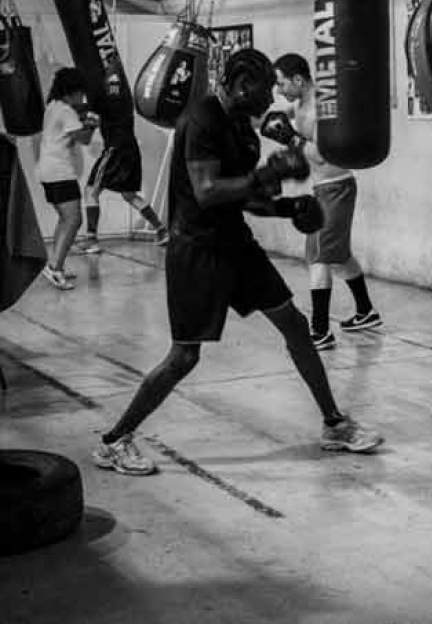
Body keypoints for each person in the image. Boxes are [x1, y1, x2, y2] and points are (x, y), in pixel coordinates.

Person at [91, 49, 382, 475]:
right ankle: (115, 441)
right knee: (184, 357)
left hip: (235, 244)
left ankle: (334, 424)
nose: (271, 100)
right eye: (265, 92)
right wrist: (267, 175)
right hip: (197, 251)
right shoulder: (201, 119)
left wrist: (288, 208)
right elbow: (208, 191)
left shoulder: (243, 129)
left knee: (295, 326)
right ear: (244, 86)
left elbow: (245, 196)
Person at [273, 53, 383, 350]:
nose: (279, 89)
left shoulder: (322, 107)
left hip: (336, 187)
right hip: (326, 189)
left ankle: (320, 331)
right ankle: (366, 311)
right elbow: (280, 113)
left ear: (298, 79)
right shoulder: (298, 105)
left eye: (282, 83)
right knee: (339, 255)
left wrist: (290, 139)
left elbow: (322, 154)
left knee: (319, 257)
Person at [36, 68, 98, 289]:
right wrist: (92, 123)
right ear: (72, 91)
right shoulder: (66, 111)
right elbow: (83, 139)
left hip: (47, 171)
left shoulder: (52, 107)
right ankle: (55, 269)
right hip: (59, 172)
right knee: (73, 220)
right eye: (79, 92)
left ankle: (54, 264)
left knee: (65, 219)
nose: (81, 97)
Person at [82, 118, 168, 254]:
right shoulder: (124, 100)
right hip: (131, 150)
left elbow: (94, 118)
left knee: (91, 191)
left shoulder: (105, 100)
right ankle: (161, 230)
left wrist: (84, 121)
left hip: (115, 149)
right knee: (130, 195)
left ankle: (91, 240)